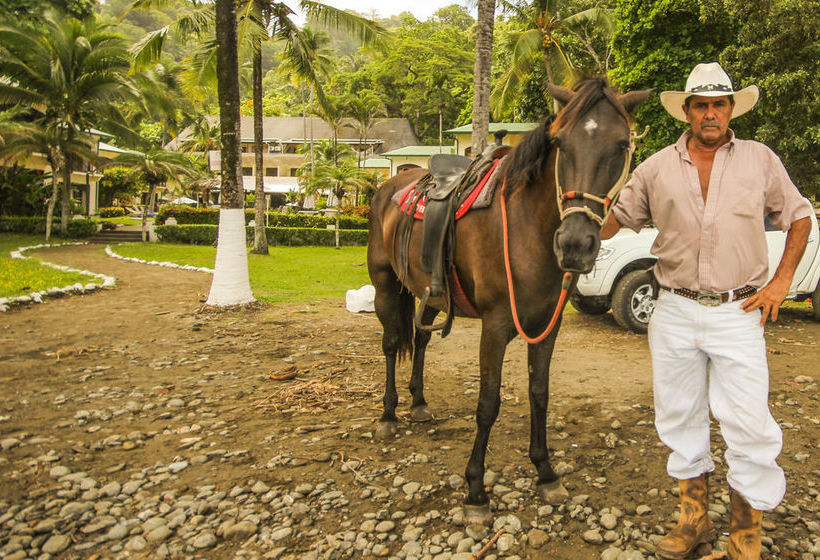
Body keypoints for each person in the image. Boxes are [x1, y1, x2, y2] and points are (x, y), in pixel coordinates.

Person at [601, 62, 813, 559]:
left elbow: (800, 216)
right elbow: (614, 221)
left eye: (719, 103)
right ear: (688, 112)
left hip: (739, 311)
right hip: (673, 308)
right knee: (679, 415)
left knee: (748, 420)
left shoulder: (760, 160)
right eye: (702, 105)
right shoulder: (654, 167)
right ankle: (693, 520)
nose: (711, 113)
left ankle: (745, 533)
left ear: (732, 108)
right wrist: (576, 210)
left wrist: (781, 283)